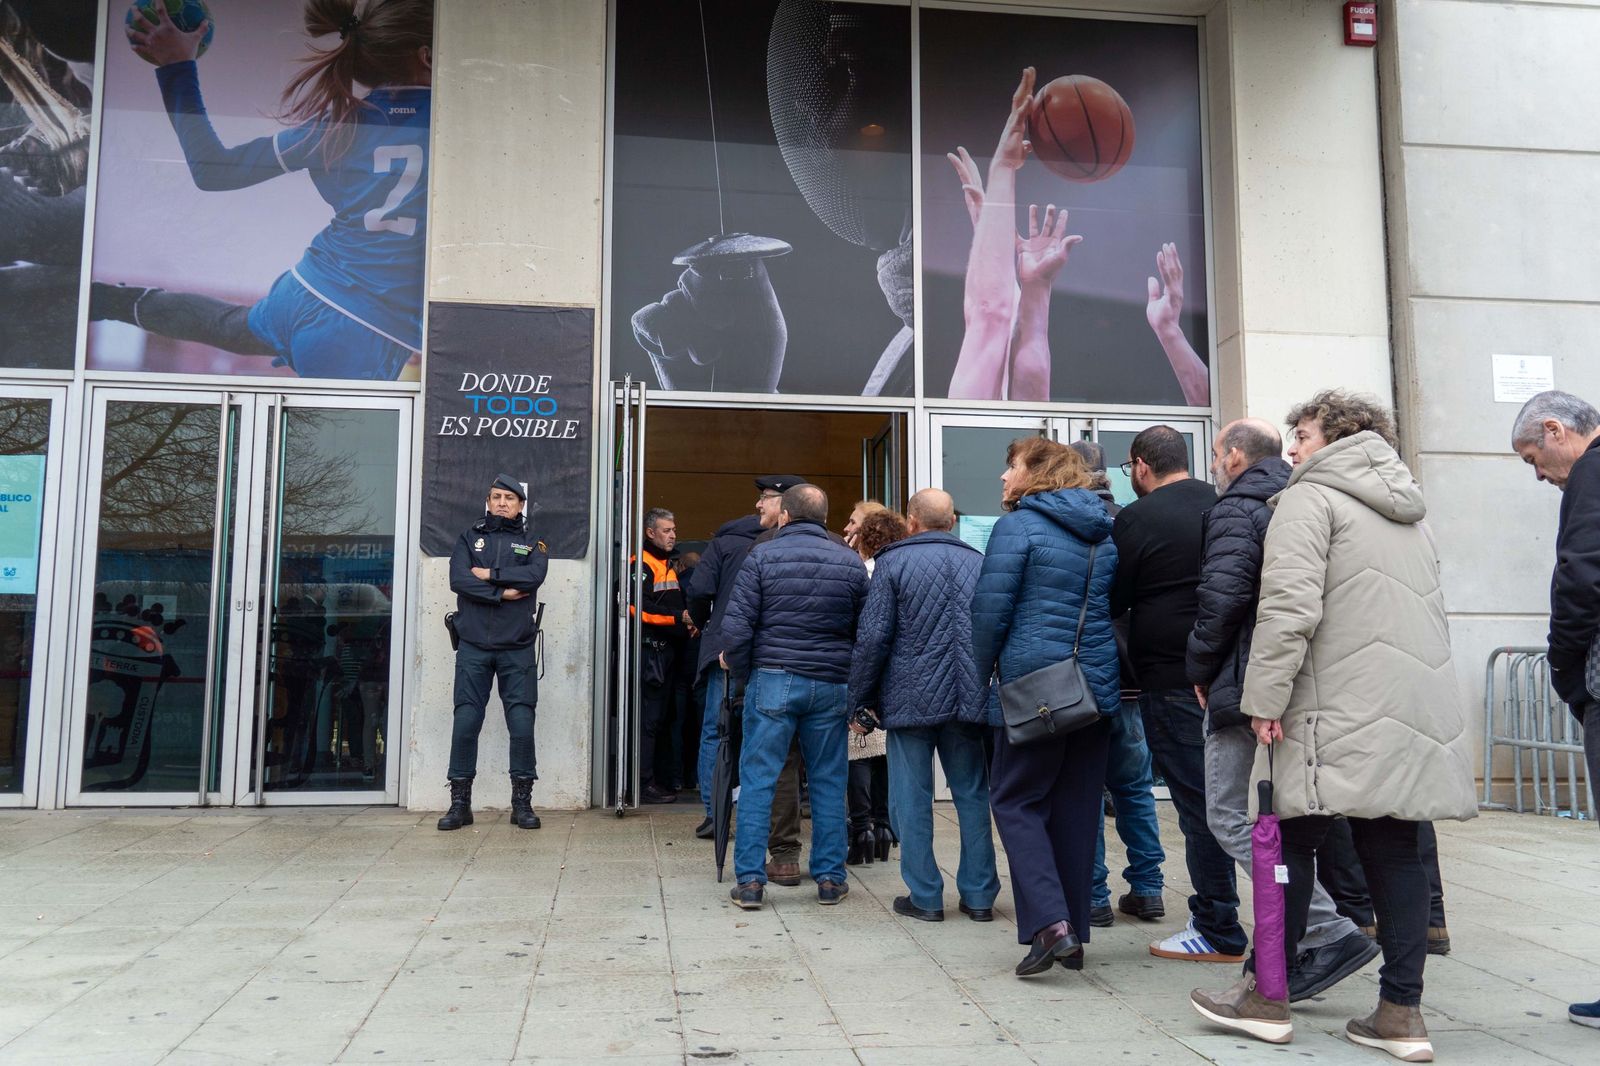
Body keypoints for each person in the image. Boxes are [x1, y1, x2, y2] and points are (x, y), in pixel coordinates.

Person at [1190, 390, 1477, 1061]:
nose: (1292, 448)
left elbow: (1289, 609)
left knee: (1286, 841)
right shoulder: (1410, 512)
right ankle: (1401, 1014)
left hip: (1329, 706)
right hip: (1405, 704)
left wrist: (1262, 700)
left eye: (1303, 433)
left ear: (1340, 437)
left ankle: (1267, 997)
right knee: (1396, 848)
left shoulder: (1307, 501)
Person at [97, 0, 432, 380]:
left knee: (232, 327)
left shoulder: (339, 123)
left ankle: (109, 300)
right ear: (429, 57)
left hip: (307, 288)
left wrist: (176, 68)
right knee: (353, 436)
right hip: (363, 328)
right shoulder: (452, 125)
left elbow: (212, 171)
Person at [1188, 418, 1379, 1002]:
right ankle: (1296, 939)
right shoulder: (1300, 500)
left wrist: (1197, 667)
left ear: (1237, 456)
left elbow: (1223, 600)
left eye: (1219, 452)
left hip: (1248, 683)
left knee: (1232, 817)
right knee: (1279, 822)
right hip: (1293, 683)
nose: (1216, 463)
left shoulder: (1238, 508)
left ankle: (1323, 929)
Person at [972, 438, 1119, 976]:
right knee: (1077, 811)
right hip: (1092, 688)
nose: (1003, 478)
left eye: (1009, 467)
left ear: (1036, 472)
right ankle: (1072, 932)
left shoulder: (1017, 526)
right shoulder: (1102, 531)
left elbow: (990, 612)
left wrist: (977, 677)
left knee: (1014, 800)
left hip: (1034, 689)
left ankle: (1051, 926)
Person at [1112, 425, 1248, 964]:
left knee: (1199, 805)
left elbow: (1115, 597)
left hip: (1171, 680)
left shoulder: (1138, 518)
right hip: (1233, 677)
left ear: (1142, 466)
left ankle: (1218, 925)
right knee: (1225, 800)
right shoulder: (1225, 504)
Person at [849, 489, 998, 922]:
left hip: (909, 697)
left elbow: (873, 638)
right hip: (968, 697)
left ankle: (926, 897)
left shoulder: (893, 563)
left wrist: (861, 700)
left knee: (910, 799)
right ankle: (980, 896)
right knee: (971, 793)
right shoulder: (978, 561)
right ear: (951, 521)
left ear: (912, 521)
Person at [719, 484, 868, 910]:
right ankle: (830, 879)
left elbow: (738, 626)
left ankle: (749, 881)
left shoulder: (762, 556)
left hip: (773, 679)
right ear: (824, 518)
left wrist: (745, 673)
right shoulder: (849, 560)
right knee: (827, 781)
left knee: (759, 780)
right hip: (830, 683)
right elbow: (866, 631)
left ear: (784, 516)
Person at [1508, 389, 1600, 1031]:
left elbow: (1581, 578)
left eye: (1533, 457)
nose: (1538, 474)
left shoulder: (1590, 476)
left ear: (1555, 429)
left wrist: (1565, 670)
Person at [1070, 439, 1166, 930]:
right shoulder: (1131, 520)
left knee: (1085, 791)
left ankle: (1094, 897)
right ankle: (1148, 888)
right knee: (1135, 790)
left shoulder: (1068, 524)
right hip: (1133, 676)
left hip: (1083, 679)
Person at [686, 476, 803, 840]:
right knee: (762, 731)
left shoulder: (725, 542)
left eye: (764, 497)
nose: (757, 504)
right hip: (771, 651)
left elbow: (699, 590)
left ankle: (714, 815)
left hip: (727, 648)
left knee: (714, 732)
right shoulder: (794, 543)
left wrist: (709, 626)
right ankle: (765, 817)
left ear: (782, 504)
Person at [439, 474, 548, 832]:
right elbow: (459, 579)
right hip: (473, 647)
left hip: (516, 648)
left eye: (510, 498)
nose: (502, 503)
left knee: (521, 724)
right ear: (487, 501)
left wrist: (489, 574)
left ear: (521, 504)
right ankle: (459, 803)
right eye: (496, 497)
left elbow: (532, 577)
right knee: (466, 721)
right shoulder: (470, 537)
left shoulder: (533, 540)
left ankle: (522, 803)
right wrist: (501, 593)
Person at [844, 507, 905, 865]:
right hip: (896, 672)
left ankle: (861, 830)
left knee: (858, 750)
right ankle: (883, 827)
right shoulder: (902, 566)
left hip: (864, 668)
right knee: (881, 750)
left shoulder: (862, 571)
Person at [634, 508, 691, 805]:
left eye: (674, 529)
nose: (672, 535)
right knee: (649, 722)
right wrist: (677, 618)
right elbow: (632, 608)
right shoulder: (641, 563)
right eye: (666, 530)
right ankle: (643, 784)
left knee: (665, 720)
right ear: (650, 533)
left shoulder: (665, 564)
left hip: (668, 656)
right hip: (650, 655)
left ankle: (660, 779)